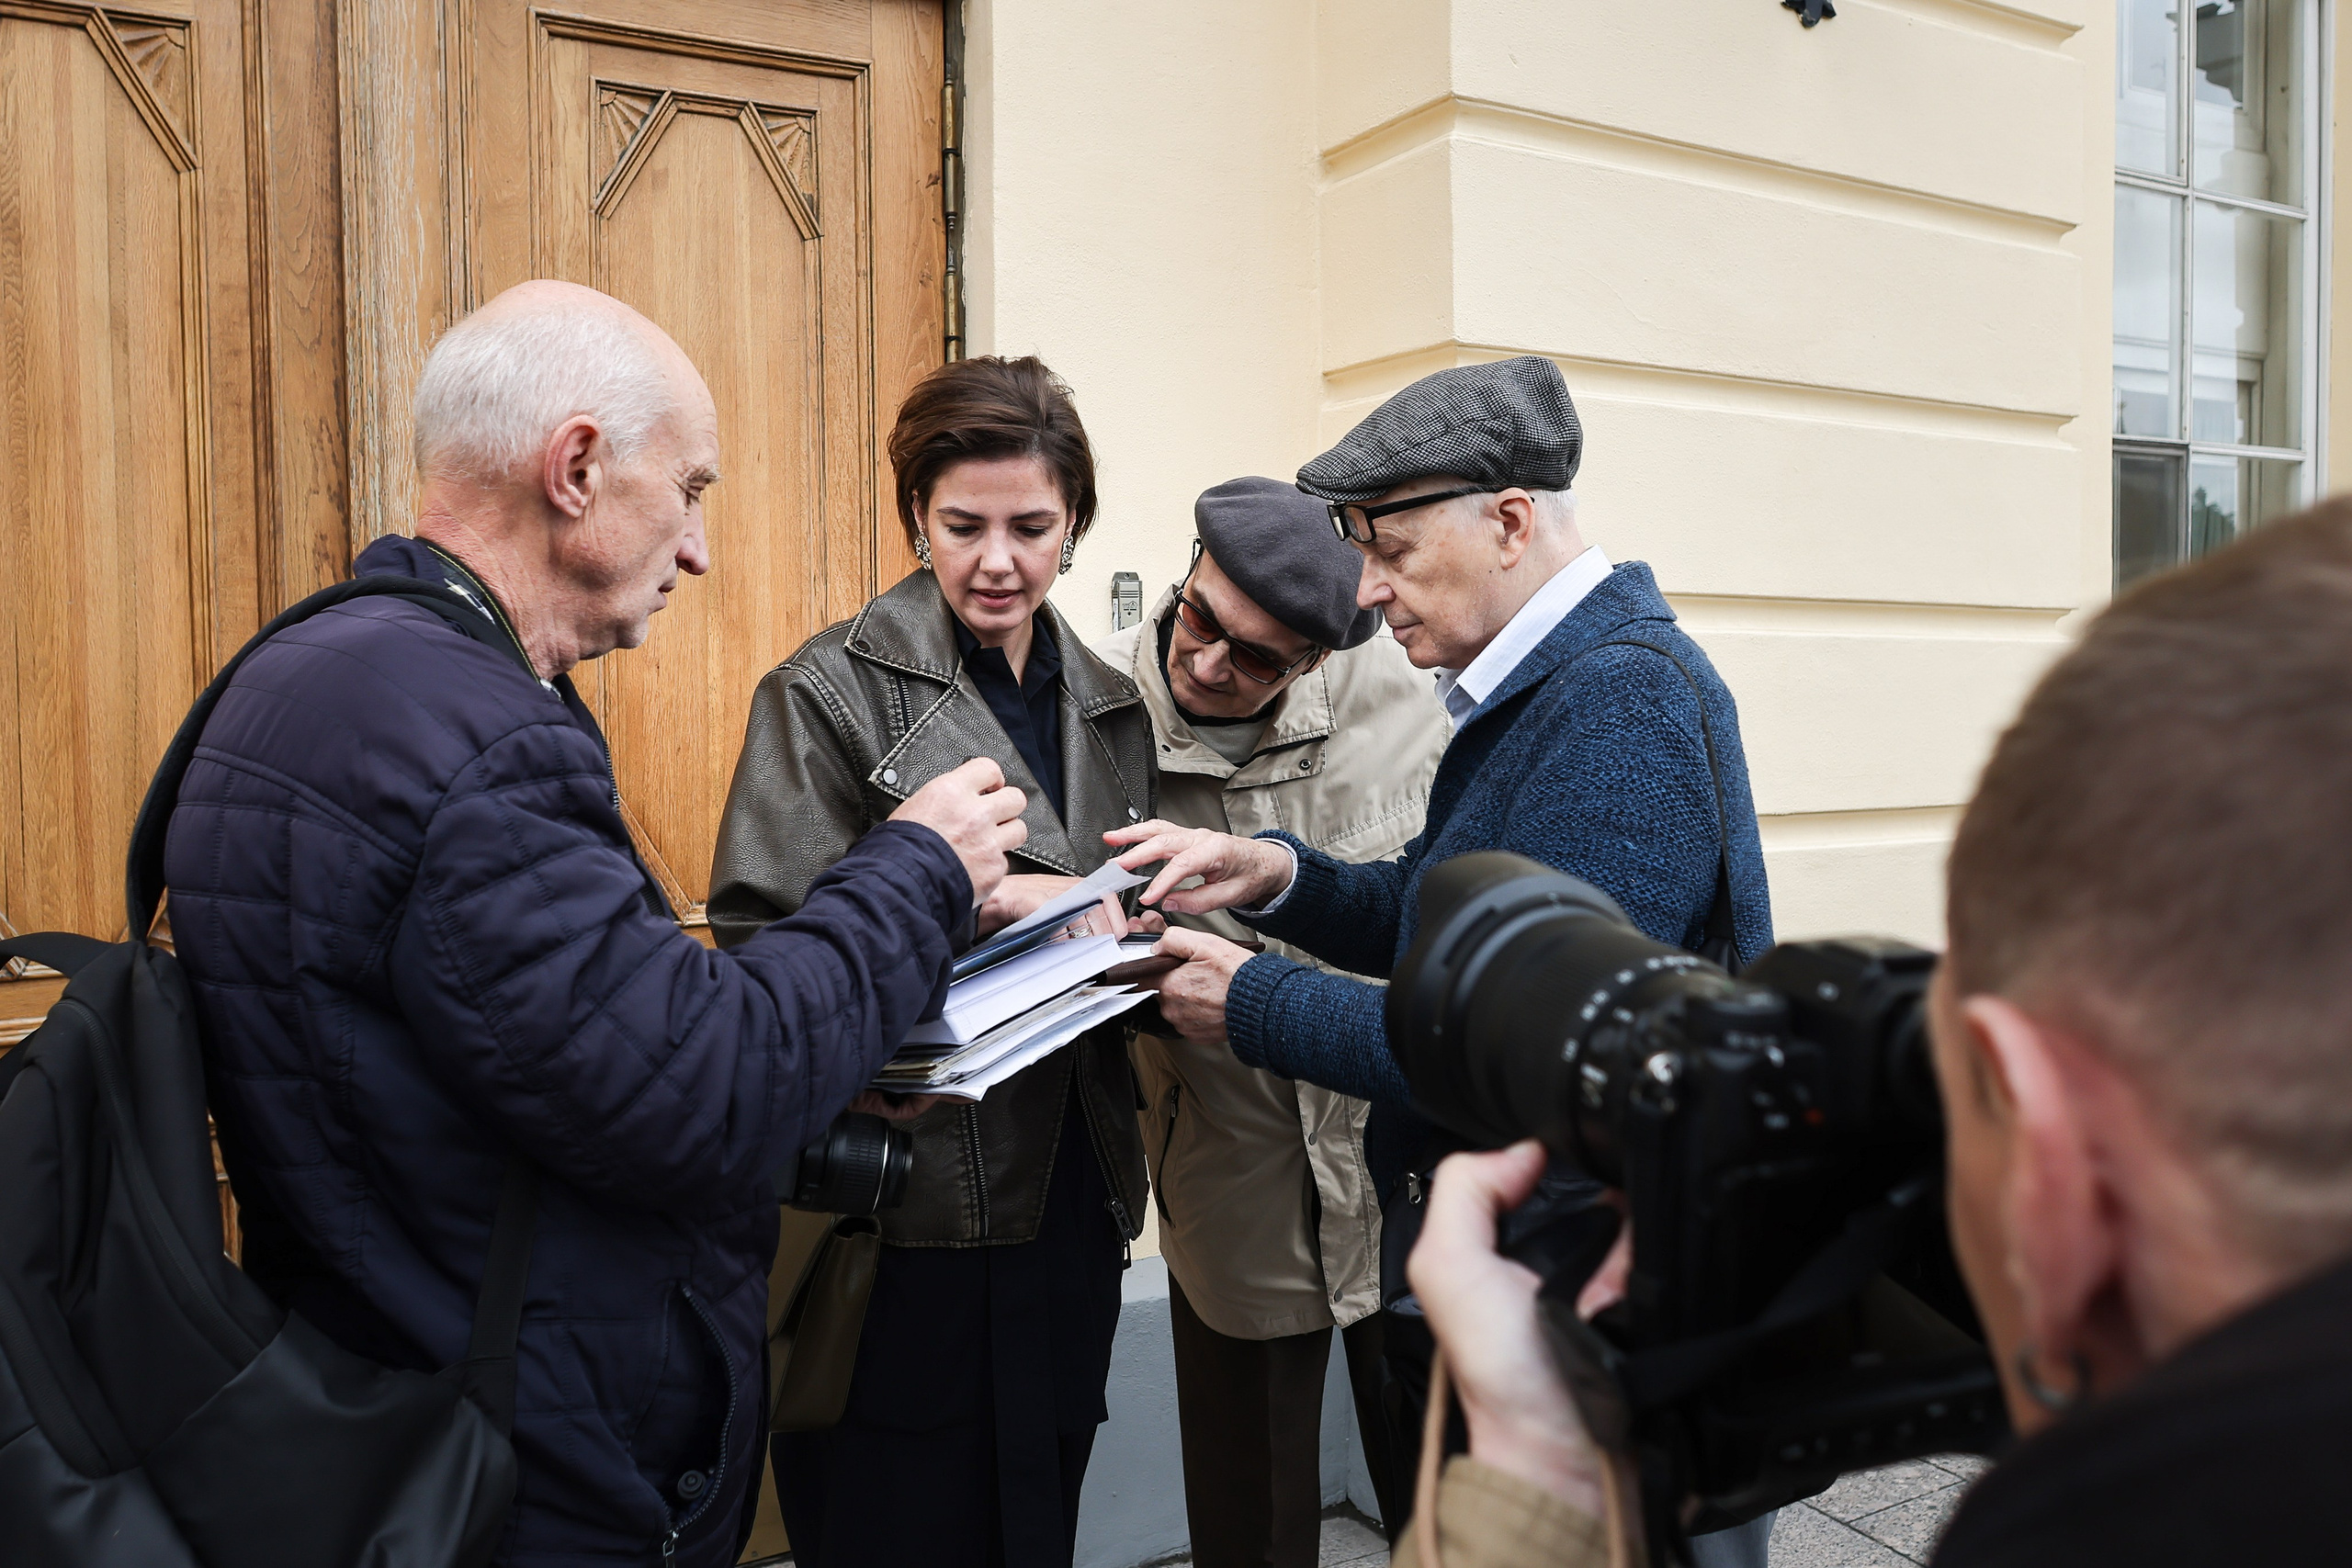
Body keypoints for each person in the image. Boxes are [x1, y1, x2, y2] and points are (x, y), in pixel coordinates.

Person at [162, 282, 1028, 1567]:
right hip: (525, 1463)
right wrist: (919, 868)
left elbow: (531, 1057)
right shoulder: (473, 738)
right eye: (690, 490)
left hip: (394, 1391)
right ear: (575, 466)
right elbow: (697, 1087)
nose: (699, 548)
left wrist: (834, 1071)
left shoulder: (308, 672)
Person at [1395, 502, 2352, 1567]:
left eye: (1944, 1084)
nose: (1370, 590)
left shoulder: (1628, 690)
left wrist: (1538, 1490)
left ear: (2054, 1174)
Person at [1106, 357, 1775, 1567]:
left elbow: (1518, 1047)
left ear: (1509, 519)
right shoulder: (1543, 691)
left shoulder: (1620, 703)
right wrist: (1279, 875)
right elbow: (1439, 916)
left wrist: (1249, 998)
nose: (1366, 589)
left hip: (1604, 1326)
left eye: (1393, 549)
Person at [707, 355, 1154, 1568]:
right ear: (915, 517)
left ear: (1076, 521)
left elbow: (1122, 913)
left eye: (1033, 526)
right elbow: (764, 946)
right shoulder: (827, 690)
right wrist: (988, 897)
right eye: (963, 525)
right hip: (905, 1202)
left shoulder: (1113, 704)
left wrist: (1160, 932)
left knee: (1040, 1510)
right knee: (894, 1518)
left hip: (1075, 1188)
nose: (999, 560)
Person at [1094, 477, 1451, 1562]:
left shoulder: (1409, 690)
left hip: (1406, 1177)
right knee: (1251, 1522)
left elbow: (1442, 903)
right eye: (1198, 620)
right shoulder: (1090, 708)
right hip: (1231, 1180)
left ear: (1319, 660)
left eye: (1256, 659)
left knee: (1452, 1508)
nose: (1206, 665)